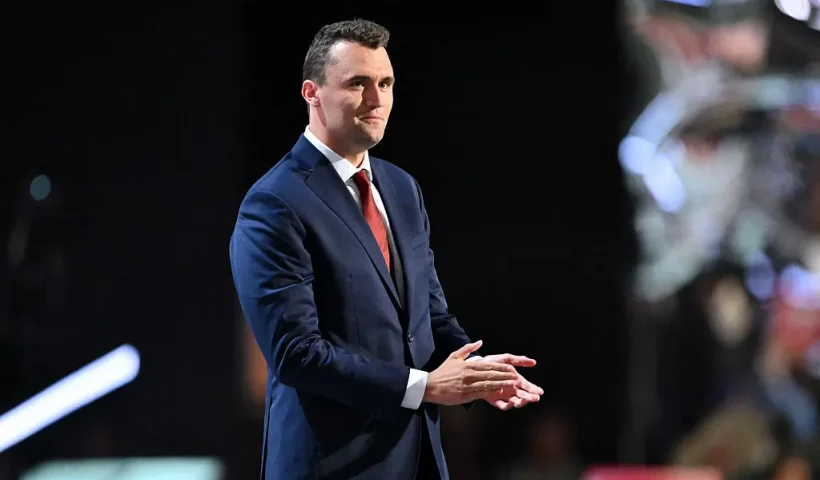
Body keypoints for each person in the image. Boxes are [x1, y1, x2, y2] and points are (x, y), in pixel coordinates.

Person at [229, 19, 543, 480]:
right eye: (358, 83)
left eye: (386, 83)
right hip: (330, 466)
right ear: (311, 93)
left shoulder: (400, 188)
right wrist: (426, 387)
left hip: (414, 461)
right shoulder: (274, 203)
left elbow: (428, 316)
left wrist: (473, 370)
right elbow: (297, 354)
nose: (377, 100)